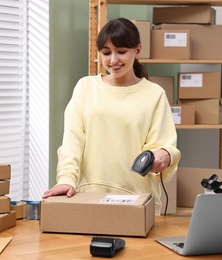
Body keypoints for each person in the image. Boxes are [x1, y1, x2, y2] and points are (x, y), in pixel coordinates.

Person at [43, 17, 181, 215]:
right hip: (88, 197)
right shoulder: (85, 87)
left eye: (121, 52)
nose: (113, 60)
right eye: (106, 53)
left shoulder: (154, 93)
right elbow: (72, 140)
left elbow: (165, 144)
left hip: (137, 199)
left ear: (138, 50)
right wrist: (66, 179)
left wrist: (165, 155)